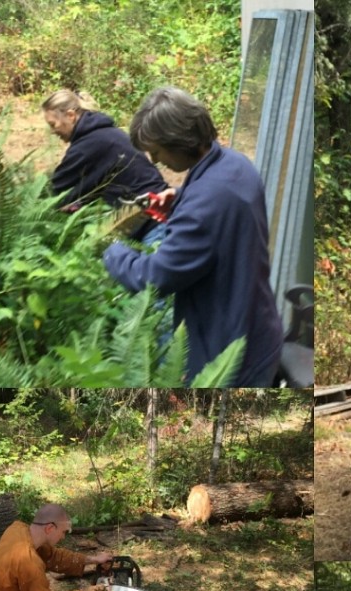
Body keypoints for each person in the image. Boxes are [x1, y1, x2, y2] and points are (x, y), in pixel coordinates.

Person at [103, 86, 284, 386]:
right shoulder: (235, 164)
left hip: (229, 358)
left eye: (157, 151)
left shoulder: (204, 205)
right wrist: (181, 197)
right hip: (258, 328)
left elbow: (156, 278)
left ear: (179, 141)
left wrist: (113, 251)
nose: (156, 160)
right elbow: (218, 210)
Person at [42, 89, 169, 226]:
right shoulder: (105, 133)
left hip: (151, 220)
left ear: (71, 115)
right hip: (161, 209)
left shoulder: (89, 144)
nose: (53, 132)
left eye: (53, 125)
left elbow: (55, 191)